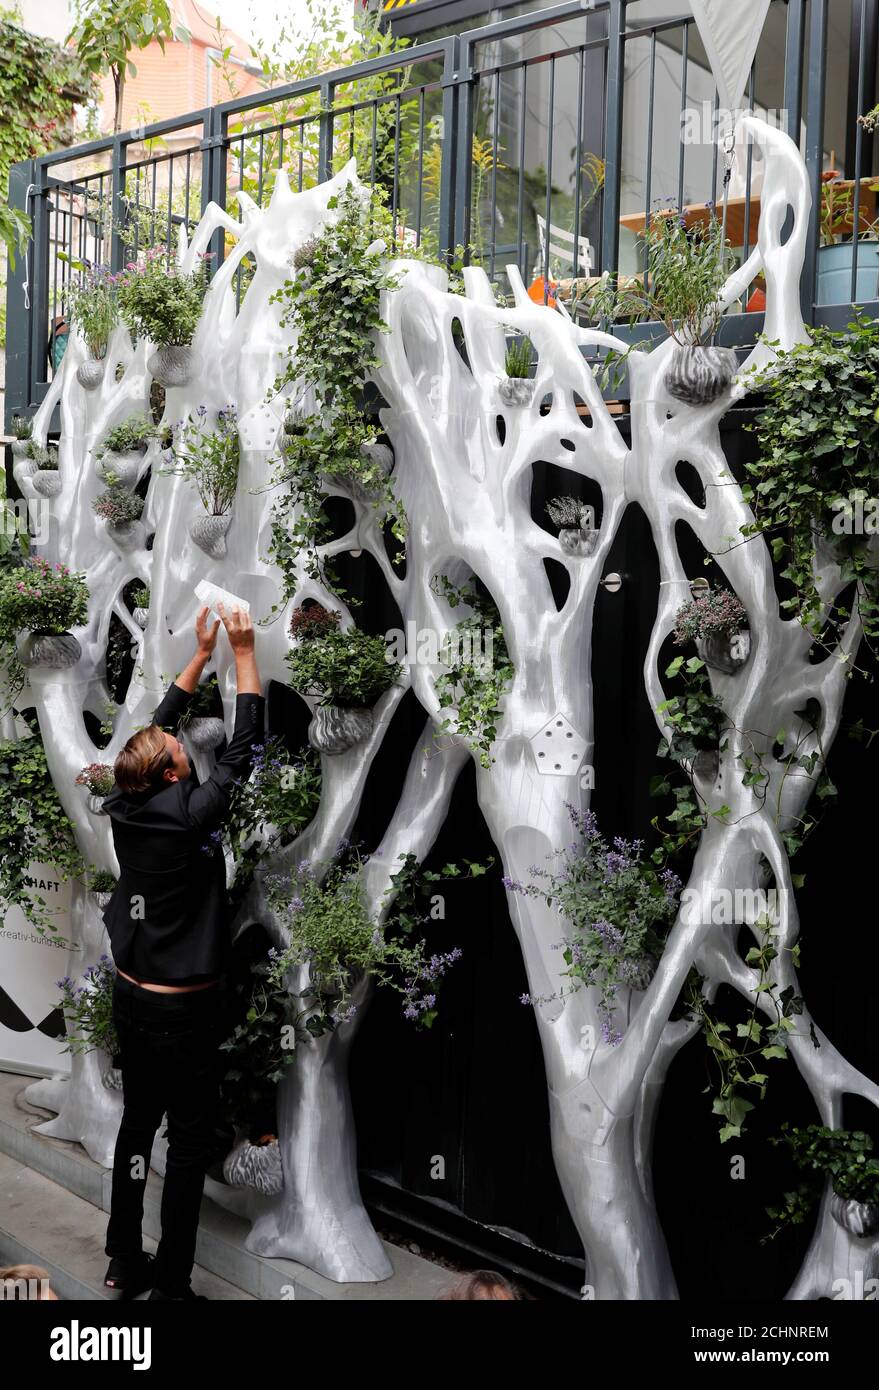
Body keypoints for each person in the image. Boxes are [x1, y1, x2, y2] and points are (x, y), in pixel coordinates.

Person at [101, 601, 264, 1301]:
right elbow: (243, 750)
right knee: (189, 1143)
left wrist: (200, 655)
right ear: (172, 773)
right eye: (176, 750)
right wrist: (244, 653)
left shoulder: (126, 799)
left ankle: (121, 1261)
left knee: (138, 1127)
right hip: (183, 1014)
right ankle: (170, 1286)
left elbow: (156, 729)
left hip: (133, 996)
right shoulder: (193, 815)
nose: (178, 743)